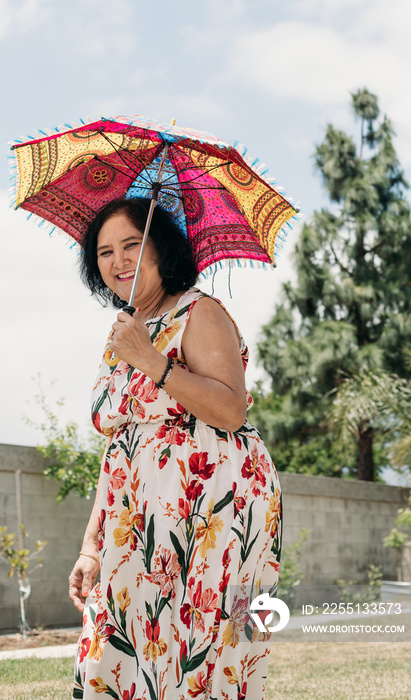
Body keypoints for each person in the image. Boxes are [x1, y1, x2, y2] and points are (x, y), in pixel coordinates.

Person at [69, 196, 282, 700]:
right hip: (136, 516)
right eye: (104, 252)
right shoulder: (123, 330)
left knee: (194, 650)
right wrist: (90, 545)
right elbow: (120, 444)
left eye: (131, 244)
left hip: (209, 510)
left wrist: (152, 360)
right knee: (113, 648)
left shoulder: (199, 311)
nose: (118, 260)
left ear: (161, 249)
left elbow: (232, 410)